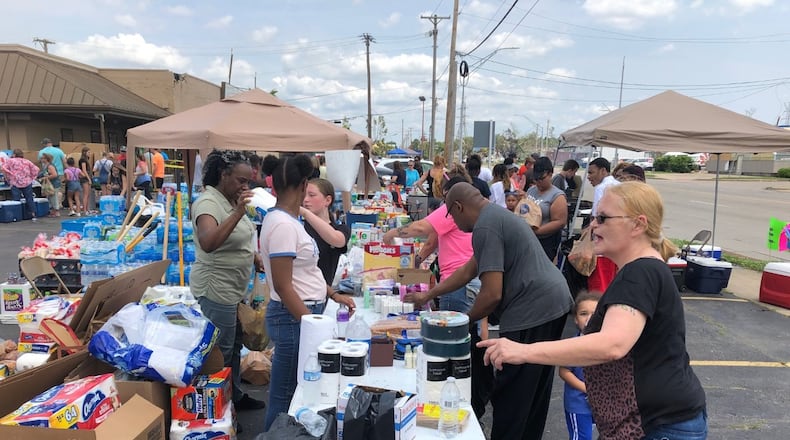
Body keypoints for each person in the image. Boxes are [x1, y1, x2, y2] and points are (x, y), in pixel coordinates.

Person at [478, 182, 707, 440]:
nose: (593, 226)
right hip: (651, 422)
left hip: (657, 424)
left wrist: (524, 351)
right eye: (594, 218)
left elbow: (612, 344)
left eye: (603, 218)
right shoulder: (642, 270)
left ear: (638, 224)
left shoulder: (640, 272)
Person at [423, 182, 573, 440]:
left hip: (532, 308)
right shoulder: (496, 216)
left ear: (458, 207)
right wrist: (429, 294)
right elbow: (467, 270)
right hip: (553, 302)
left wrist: (462, 321)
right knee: (532, 393)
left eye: (451, 215)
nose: (454, 223)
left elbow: (492, 294)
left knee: (513, 395)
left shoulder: (486, 226)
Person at [260, 154, 356, 432]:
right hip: (293, 318)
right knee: (286, 394)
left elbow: (305, 273)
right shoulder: (282, 225)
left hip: (300, 314)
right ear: (303, 185)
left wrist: (332, 294)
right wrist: (311, 323)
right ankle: (274, 436)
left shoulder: (289, 221)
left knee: (297, 392)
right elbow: (283, 285)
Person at [387, 170, 492, 419]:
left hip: (457, 285)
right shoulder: (467, 213)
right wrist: (416, 262)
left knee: (451, 348)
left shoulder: (451, 209)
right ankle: (469, 398)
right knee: (468, 342)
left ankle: (457, 401)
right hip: (469, 283)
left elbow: (421, 227)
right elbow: (433, 240)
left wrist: (392, 234)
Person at [191, 149, 267, 415]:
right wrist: (238, 211)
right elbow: (209, 241)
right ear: (223, 175)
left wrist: (253, 256)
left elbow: (238, 236)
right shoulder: (209, 203)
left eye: (248, 182)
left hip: (234, 289)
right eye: (240, 181)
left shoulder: (228, 199)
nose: (245, 186)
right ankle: (219, 410)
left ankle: (234, 395)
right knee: (219, 353)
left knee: (233, 346)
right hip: (216, 289)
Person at [558, 292, 599, 440]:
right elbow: (564, 371)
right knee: (581, 437)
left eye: (595, 313)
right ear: (576, 319)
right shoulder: (573, 345)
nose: (589, 318)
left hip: (602, 403)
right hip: (579, 403)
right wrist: (587, 388)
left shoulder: (606, 344)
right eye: (583, 313)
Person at [301, 178, 351, 285]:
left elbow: (338, 240)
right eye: (303, 195)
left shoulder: (340, 228)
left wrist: (305, 213)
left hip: (323, 290)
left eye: (311, 195)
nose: (305, 200)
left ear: (328, 200)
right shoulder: (300, 227)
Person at [587, 157, 620, 293]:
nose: (589, 177)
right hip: (619, 242)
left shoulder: (601, 188)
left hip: (603, 241)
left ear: (603, 171)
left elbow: (597, 216)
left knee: (600, 282)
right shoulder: (620, 185)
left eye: (591, 172)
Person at [527, 157, 568, 261]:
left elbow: (560, 222)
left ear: (550, 174)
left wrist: (537, 231)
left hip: (546, 242)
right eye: (536, 179)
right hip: (528, 238)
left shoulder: (557, 196)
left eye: (542, 179)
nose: (538, 182)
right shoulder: (531, 190)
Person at [1, 149, 40, 221]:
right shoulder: (27, 161)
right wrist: (32, 177)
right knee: (29, 198)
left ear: (14, 154)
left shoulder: (10, 161)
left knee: (16, 200)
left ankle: (17, 215)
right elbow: (36, 169)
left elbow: (3, 168)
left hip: (15, 182)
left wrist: (9, 175)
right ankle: (33, 214)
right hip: (27, 182)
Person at [38, 138, 67, 210]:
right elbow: (64, 162)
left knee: (49, 190)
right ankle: (59, 204)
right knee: (60, 190)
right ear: (51, 143)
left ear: (44, 144)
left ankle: (53, 206)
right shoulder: (59, 150)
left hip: (47, 174)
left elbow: (40, 163)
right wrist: (67, 171)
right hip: (60, 172)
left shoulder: (41, 152)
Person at [78, 147, 93, 215]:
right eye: (88, 152)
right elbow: (84, 170)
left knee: (88, 194)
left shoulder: (86, 159)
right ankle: (85, 210)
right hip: (85, 178)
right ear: (84, 152)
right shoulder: (83, 160)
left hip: (88, 177)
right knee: (86, 194)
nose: (89, 153)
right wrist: (88, 179)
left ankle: (87, 208)